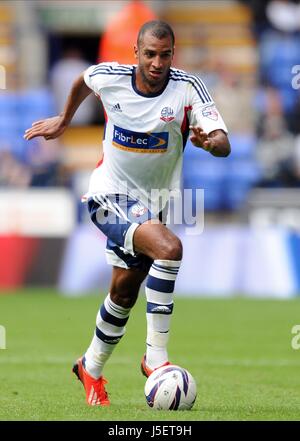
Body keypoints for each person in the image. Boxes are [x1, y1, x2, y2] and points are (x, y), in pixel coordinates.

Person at [24, 20, 230, 407]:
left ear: (173, 53)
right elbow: (83, 80)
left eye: (164, 55)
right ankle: (155, 359)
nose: (156, 63)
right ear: (136, 52)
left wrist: (210, 141)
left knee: (123, 292)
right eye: (149, 54)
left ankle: (90, 366)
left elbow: (223, 142)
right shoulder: (110, 76)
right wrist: (65, 119)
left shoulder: (187, 88)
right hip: (107, 196)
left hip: (154, 205)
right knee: (169, 249)